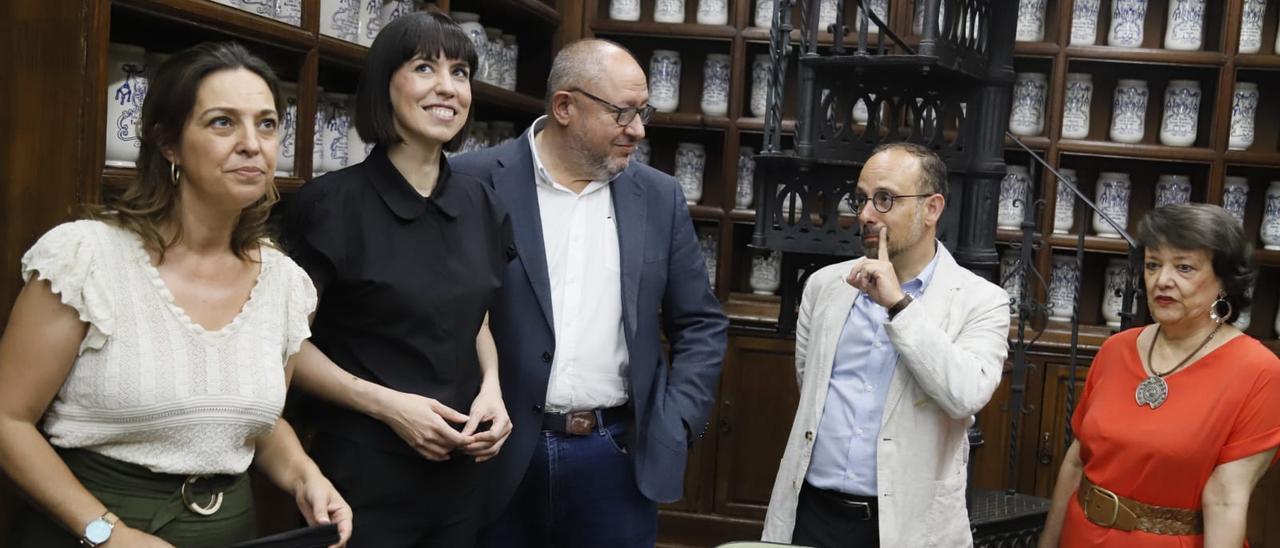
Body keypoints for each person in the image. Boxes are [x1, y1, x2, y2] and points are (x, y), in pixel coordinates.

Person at [0, 42, 352, 547]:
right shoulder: (85, 259)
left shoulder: (285, 284)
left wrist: (305, 476)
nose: (252, 143)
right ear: (169, 144)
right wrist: (108, 533)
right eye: (222, 122)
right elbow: (8, 419)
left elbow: (258, 420)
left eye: (267, 123)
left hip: (229, 532)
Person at [450, 39, 728, 548]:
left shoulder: (659, 197)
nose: (639, 129)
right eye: (623, 113)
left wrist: (678, 423)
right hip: (494, 457)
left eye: (643, 112)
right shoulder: (474, 181)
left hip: (615, 457)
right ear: (564, 107)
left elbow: (701, 324)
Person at [280, 10, 514, 548]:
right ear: (386, 85)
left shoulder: (483, 203)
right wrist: (389, 406)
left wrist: (494, 391)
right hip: (359, 474)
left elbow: (474, 316)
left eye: (460, 73)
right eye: (424, 68)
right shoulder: (330, 205)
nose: (447, 87)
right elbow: (285, 346)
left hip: (461, 475)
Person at [761, 142, 1011, 547]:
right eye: (861, 199)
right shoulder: (826, 287)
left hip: (906, 526)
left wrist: (899, 305)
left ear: (932, 208)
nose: (865, 215)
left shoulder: (981, 301)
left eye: (885, 200)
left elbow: (965, 395)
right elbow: (810, 387)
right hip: (811, 514)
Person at [1038, 203, 1280, 547]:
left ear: (1224, 281)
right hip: (1082, 534)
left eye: (1184, 267)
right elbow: (1078, 461)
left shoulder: (1258, 371)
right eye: (1153, 265)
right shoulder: (1116, 349)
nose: (1162, 280)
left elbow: (1226, 499)